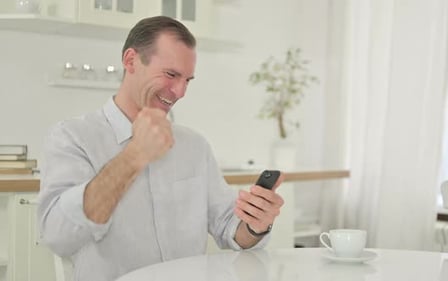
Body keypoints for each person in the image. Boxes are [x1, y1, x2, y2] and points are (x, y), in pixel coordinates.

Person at [37, 16, 284, 281]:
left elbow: (229, 228)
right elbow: (58, 237)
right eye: (171, 74)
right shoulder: (72, 138)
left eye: (188, 80)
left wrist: (255, 225)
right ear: (131, 61)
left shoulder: (194, 146)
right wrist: (134, 157)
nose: (180, 91)